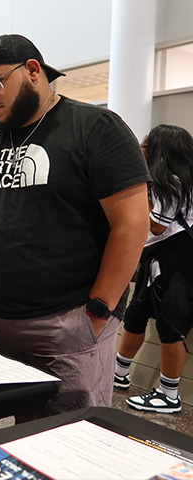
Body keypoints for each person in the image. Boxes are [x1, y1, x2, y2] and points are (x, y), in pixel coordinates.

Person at [0, 34, 150, 417]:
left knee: (65, 443)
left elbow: (131, 223)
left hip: (66, 325)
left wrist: (98, 310)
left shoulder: (95, 128)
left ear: (33, 70)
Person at [114, 125, 193, 414]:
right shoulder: (166, 181)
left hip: (177, 264)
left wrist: (133, 199)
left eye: (144, 147)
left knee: (171, 328)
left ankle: (169, 395)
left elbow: (157, 224)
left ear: (159, 152)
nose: (140, 150)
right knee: (135, 316)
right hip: (160, 260)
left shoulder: (172, 182)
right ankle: (119, 373)